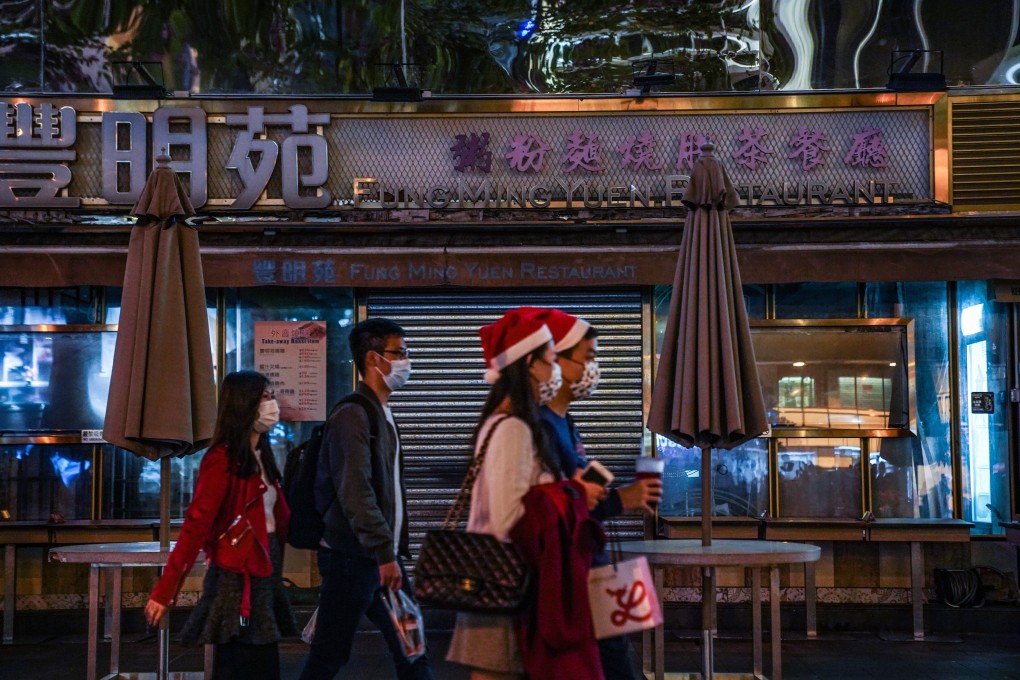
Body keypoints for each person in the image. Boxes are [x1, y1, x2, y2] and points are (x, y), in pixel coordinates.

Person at [447, 307, 604, 680]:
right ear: (530, 364)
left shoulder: (503, 422)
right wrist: (573, 494)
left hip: (503, 584)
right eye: (550, 361)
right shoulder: (513, 428)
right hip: (503, 587)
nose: (554, 372)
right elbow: (509, 517)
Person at [526, 307, 663, 680]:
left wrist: (612, 493)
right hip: (571, 578)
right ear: (557, 360)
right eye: (589, 358)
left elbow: (579, 496)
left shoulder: (566, 421)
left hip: (590, 569)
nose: (595, 368)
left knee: (613, 660)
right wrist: (623, 500)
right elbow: (554, 509)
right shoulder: (538, 427)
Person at [299, 318, 433, 680]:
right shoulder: (353, 416)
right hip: (352, 558)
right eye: (400, 352)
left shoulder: (381, 413)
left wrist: (386, 553)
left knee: (412, 650)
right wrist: (383, 552)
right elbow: (355, 492)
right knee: (328, 657)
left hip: (378, 558)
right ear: (374, 359)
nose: (406, 360)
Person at [145, 370, 295, 680]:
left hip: (261, 574)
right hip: (236, 580)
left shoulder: (260, 457)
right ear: (244, 406)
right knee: (243, 655)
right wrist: (165, 589)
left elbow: (278, 520)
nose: (272, 405)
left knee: (257, 657)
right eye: (265, 398)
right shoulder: (222, 460)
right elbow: (196, 525)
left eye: (271, 397)